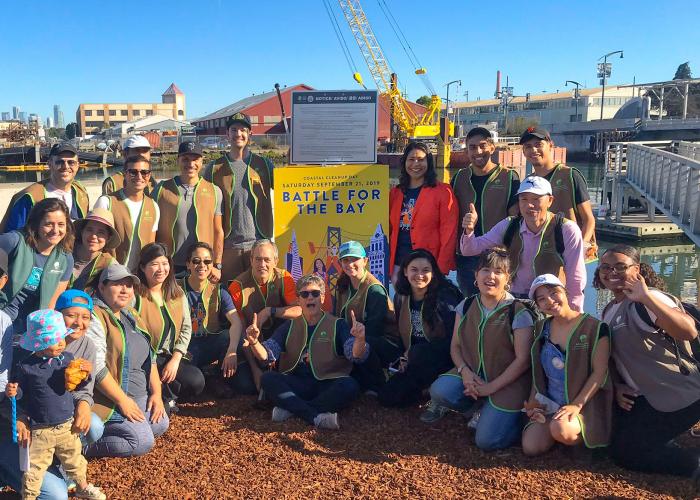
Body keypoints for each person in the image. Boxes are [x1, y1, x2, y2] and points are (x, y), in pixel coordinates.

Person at [594, 244, 700, 484]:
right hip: (646, 395)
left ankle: (693, 463)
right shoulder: (610, 309)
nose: (612, 272)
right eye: (606, 267)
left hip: (681, 392)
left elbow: (687, 330)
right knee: (615, 444)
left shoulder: (649, 299)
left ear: (637, 269)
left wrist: (646, 297)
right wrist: (618, 385)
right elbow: (616, 357)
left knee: (630, 454)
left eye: (621, 266)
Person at [421, 247, 535, 451]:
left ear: (507, 277)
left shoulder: (517, 312)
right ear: (476, 274)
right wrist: (465, 372)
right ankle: (480, 407)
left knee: (486, 441)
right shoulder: (465, 305)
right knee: (439, 390)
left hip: (508, 383)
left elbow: (523, 360)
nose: (491, 276)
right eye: (485, 270)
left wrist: (492, 387)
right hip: (474, 374)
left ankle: (515, 420)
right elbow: (455, 346)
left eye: (498, 272)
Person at [6, 309, 106, 500]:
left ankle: (82, 486)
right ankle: (29, 496)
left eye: (62, 338)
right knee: (34, 469)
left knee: (75, 460)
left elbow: (76, 384)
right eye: (55, 339)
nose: (61, 343)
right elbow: (22, 395)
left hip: (66, 426)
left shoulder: (67, 360)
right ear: (40, 344)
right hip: (41, 431)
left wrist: (85, 374)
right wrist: (13, 392)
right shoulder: (27, 367)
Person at [249, 274, 369, 429]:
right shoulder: (289, 326)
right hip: (297, 382)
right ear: (298, 300)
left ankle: (292, 409)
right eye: (304, 294)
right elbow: (267, 355)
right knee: (268, 378)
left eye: (315, 293)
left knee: (349, 385)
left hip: (327, 383)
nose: (310, 298)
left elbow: (355, 355)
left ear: (323, 298)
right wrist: (254, 342)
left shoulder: (338, 324)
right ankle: (316, 417)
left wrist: (360, 340)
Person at [460, 176, 586, 311]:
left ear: (550, 200)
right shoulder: (510, 225)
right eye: (524, 199)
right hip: (513, 300)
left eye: (536, 199)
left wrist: (573, 315)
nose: (529, 205)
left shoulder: (566, 229)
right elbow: (469, 249)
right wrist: (469, 230)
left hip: (549, 302)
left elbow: (575, 278)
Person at [84, 263, 169, 458]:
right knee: (141, 442)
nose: (125, 289)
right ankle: (83, 445)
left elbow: (151, 357)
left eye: (128, 285)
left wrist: (156, 393)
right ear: (102, 287)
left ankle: (128, 428)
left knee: (161, 422)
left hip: (138, 396)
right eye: (117, 284)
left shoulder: (131, 314)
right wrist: (123, 401)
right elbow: (96, 367)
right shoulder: (95, 315)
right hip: (110, 400)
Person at [522, 274, 611, 456]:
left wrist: (576, 405)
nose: (550, 301)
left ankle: (585, 442)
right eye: (541, 299)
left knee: (561, 429)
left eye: (554, 293)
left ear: (565, 292)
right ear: (538, 306)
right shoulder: (541, 328)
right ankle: (557, 431)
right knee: (531, 447)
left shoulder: (595, 328)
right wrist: (535, 403)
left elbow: (600, 373)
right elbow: (538, 371)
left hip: (584, 403)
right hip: (551, 403)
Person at [377, 249, 463, 408]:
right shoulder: (401, 297)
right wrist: (404, 357)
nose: (420, 275)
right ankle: (425, 390)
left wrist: (413, 353)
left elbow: (455, 339)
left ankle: (434, 388)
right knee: (387, 397)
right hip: (415, 359)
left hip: (443, 358)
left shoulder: (445, 297)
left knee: (418, 353)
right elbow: (402, 334)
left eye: (426, 270)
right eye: (414, 270)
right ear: (405, 272)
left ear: (433, 272)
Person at [204, 112, 275, 283]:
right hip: (228, 248)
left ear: (250, 134)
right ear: (227, 134)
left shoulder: (264, 165)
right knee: (229, 299)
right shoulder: (214, 168)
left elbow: (289, 191)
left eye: (243, 130)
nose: (238, 134)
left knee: (259, 298)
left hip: (260, 246)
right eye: (234, 129)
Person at [451, 127, 520, 295]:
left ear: (492, 148)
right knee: (471, 305)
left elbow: (515, 219)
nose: (478, 151)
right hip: (466, 257)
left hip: (496, 256)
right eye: (472, 147)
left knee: (498, 305)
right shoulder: (459, 178)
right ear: (466, 150)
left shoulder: (509, 177)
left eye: (483, 146)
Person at [226, 239, 300, 392]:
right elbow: (240, 332)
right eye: (258, 259)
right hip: (251, 343)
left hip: (279, 338)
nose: (262, 264)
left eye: (267, 260)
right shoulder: (237, 286)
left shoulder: (284, 278)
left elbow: (300, 310)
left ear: (275, 261)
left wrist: (270, 311)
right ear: (251, 260)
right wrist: (255, 370)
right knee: (245, 385)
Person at [134, 243, 198, 409]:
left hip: (169, 355)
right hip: (146, 359)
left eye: (164, 263)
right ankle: (165, 396)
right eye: (154, 264)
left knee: (196, 382)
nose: (161, 269)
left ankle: (168, 394)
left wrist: (176, 358)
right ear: (142, 267)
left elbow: (186, 328)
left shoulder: (177, 293)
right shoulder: (136, 297)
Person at [519, 127, 596, 260]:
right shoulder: (527, 182)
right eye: (528, 146)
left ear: (550, 145)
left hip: (573, 252)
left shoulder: (570, 175)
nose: (533, 150)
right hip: (544, 256)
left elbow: (588, 219)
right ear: (524, 151)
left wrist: (579, 249)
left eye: (538, 145)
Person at [0, 198, 74, 335]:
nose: (55, 230)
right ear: (36, 224)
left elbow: (51, 304)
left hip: (30, 330)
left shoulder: (65, 259)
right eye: (49, 224)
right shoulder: (13, 241)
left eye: (61, 224)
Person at [180, 242, 244, 395]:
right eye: (196, 261)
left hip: (209, 343)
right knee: (192, 385)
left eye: (207, 261)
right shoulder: (176, 288)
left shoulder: (219, 290)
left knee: (232, 337)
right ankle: (205, 377)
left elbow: (236, 321)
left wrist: (232, 351)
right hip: (184, 347)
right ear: (188, 264)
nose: (202, 265)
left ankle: (218, 378)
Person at [153, 141, 224, 279]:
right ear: (178, 160)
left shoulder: (214, 191)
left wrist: (217, 265)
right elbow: (151, 229)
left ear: (202, 161)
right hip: (170, 266)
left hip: (202, 266)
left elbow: (218, 231)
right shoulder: (161, 189)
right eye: (185, 159)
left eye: (195, 159)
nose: (190, 164)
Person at [389, 142, 458, 279]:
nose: (416, 164)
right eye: (411, 159)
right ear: (404, 163)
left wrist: (441, 268)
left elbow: (449, 232)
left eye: (421, 160)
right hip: (399, 264)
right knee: (401, 300)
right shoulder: (395, 193)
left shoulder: (442, 191)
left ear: (429, 162)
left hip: (428, 266)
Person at [333, 240, 394, 392]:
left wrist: (349, 339)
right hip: (355, 337)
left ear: (365, 261)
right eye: (345, 260)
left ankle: (378, 381)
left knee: (360, 343)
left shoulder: (374, 290)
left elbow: (375, 330)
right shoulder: (343, 285)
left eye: (355, 259)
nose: (350, 264)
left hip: (384, 342)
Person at [0, 142, 89, 232]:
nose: (66, 166)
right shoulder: (30, 197)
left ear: (77, 165)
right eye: (59, 162)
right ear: (50, 164)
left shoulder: (80, 192)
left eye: (71, 162)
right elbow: (14, 236)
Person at [93, 155, 160, 270]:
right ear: (125, 174)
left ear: (149, 175)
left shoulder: (153, 206)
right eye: (133, 172)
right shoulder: (106, 202)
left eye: (144, 172)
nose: (139, 177)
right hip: (111, 273)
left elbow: (152, 244)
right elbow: (94, 242)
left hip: (141, 276)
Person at [57, 290, 104, 446]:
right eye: (71, 316)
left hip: (68, 404)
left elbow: (85, 390)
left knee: (95, 426)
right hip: (39, 411)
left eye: (85, 317)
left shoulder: (87, 345)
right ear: (58, 315)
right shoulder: (44, 342)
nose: (79, 323)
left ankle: (66, 453)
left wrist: (84, 404)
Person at [70, 208, 119, 294]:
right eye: (89, 230)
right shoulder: (65, 252)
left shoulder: (110, 265)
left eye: (101, 232)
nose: (94, 236)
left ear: (108, 238)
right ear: (82, 231)